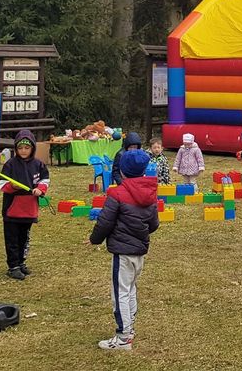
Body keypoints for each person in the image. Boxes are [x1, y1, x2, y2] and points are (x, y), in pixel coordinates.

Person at [89, 149, 160, 351]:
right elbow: (154, 224)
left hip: (123, 251)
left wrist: (94, 240)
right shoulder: (150, 193)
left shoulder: (117, 193)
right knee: (130, 288)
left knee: (120, 291)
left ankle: (123, 337)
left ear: (123, 172)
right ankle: (129, 327)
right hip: (140, 250)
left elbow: (104, 221)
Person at [0, 130, 50, 280]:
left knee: (24, 238)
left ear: (32, 148)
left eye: (27, 148)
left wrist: (40, 190)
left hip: (29, 209)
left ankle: (21, 262)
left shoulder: (39, 165)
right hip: (12, 210)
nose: (23, 151)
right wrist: (13, 187)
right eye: (20, 148)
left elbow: (45, 180)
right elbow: (2, 184)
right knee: (12, 239)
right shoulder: (10, 165)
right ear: (16, 149)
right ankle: (13, 266)